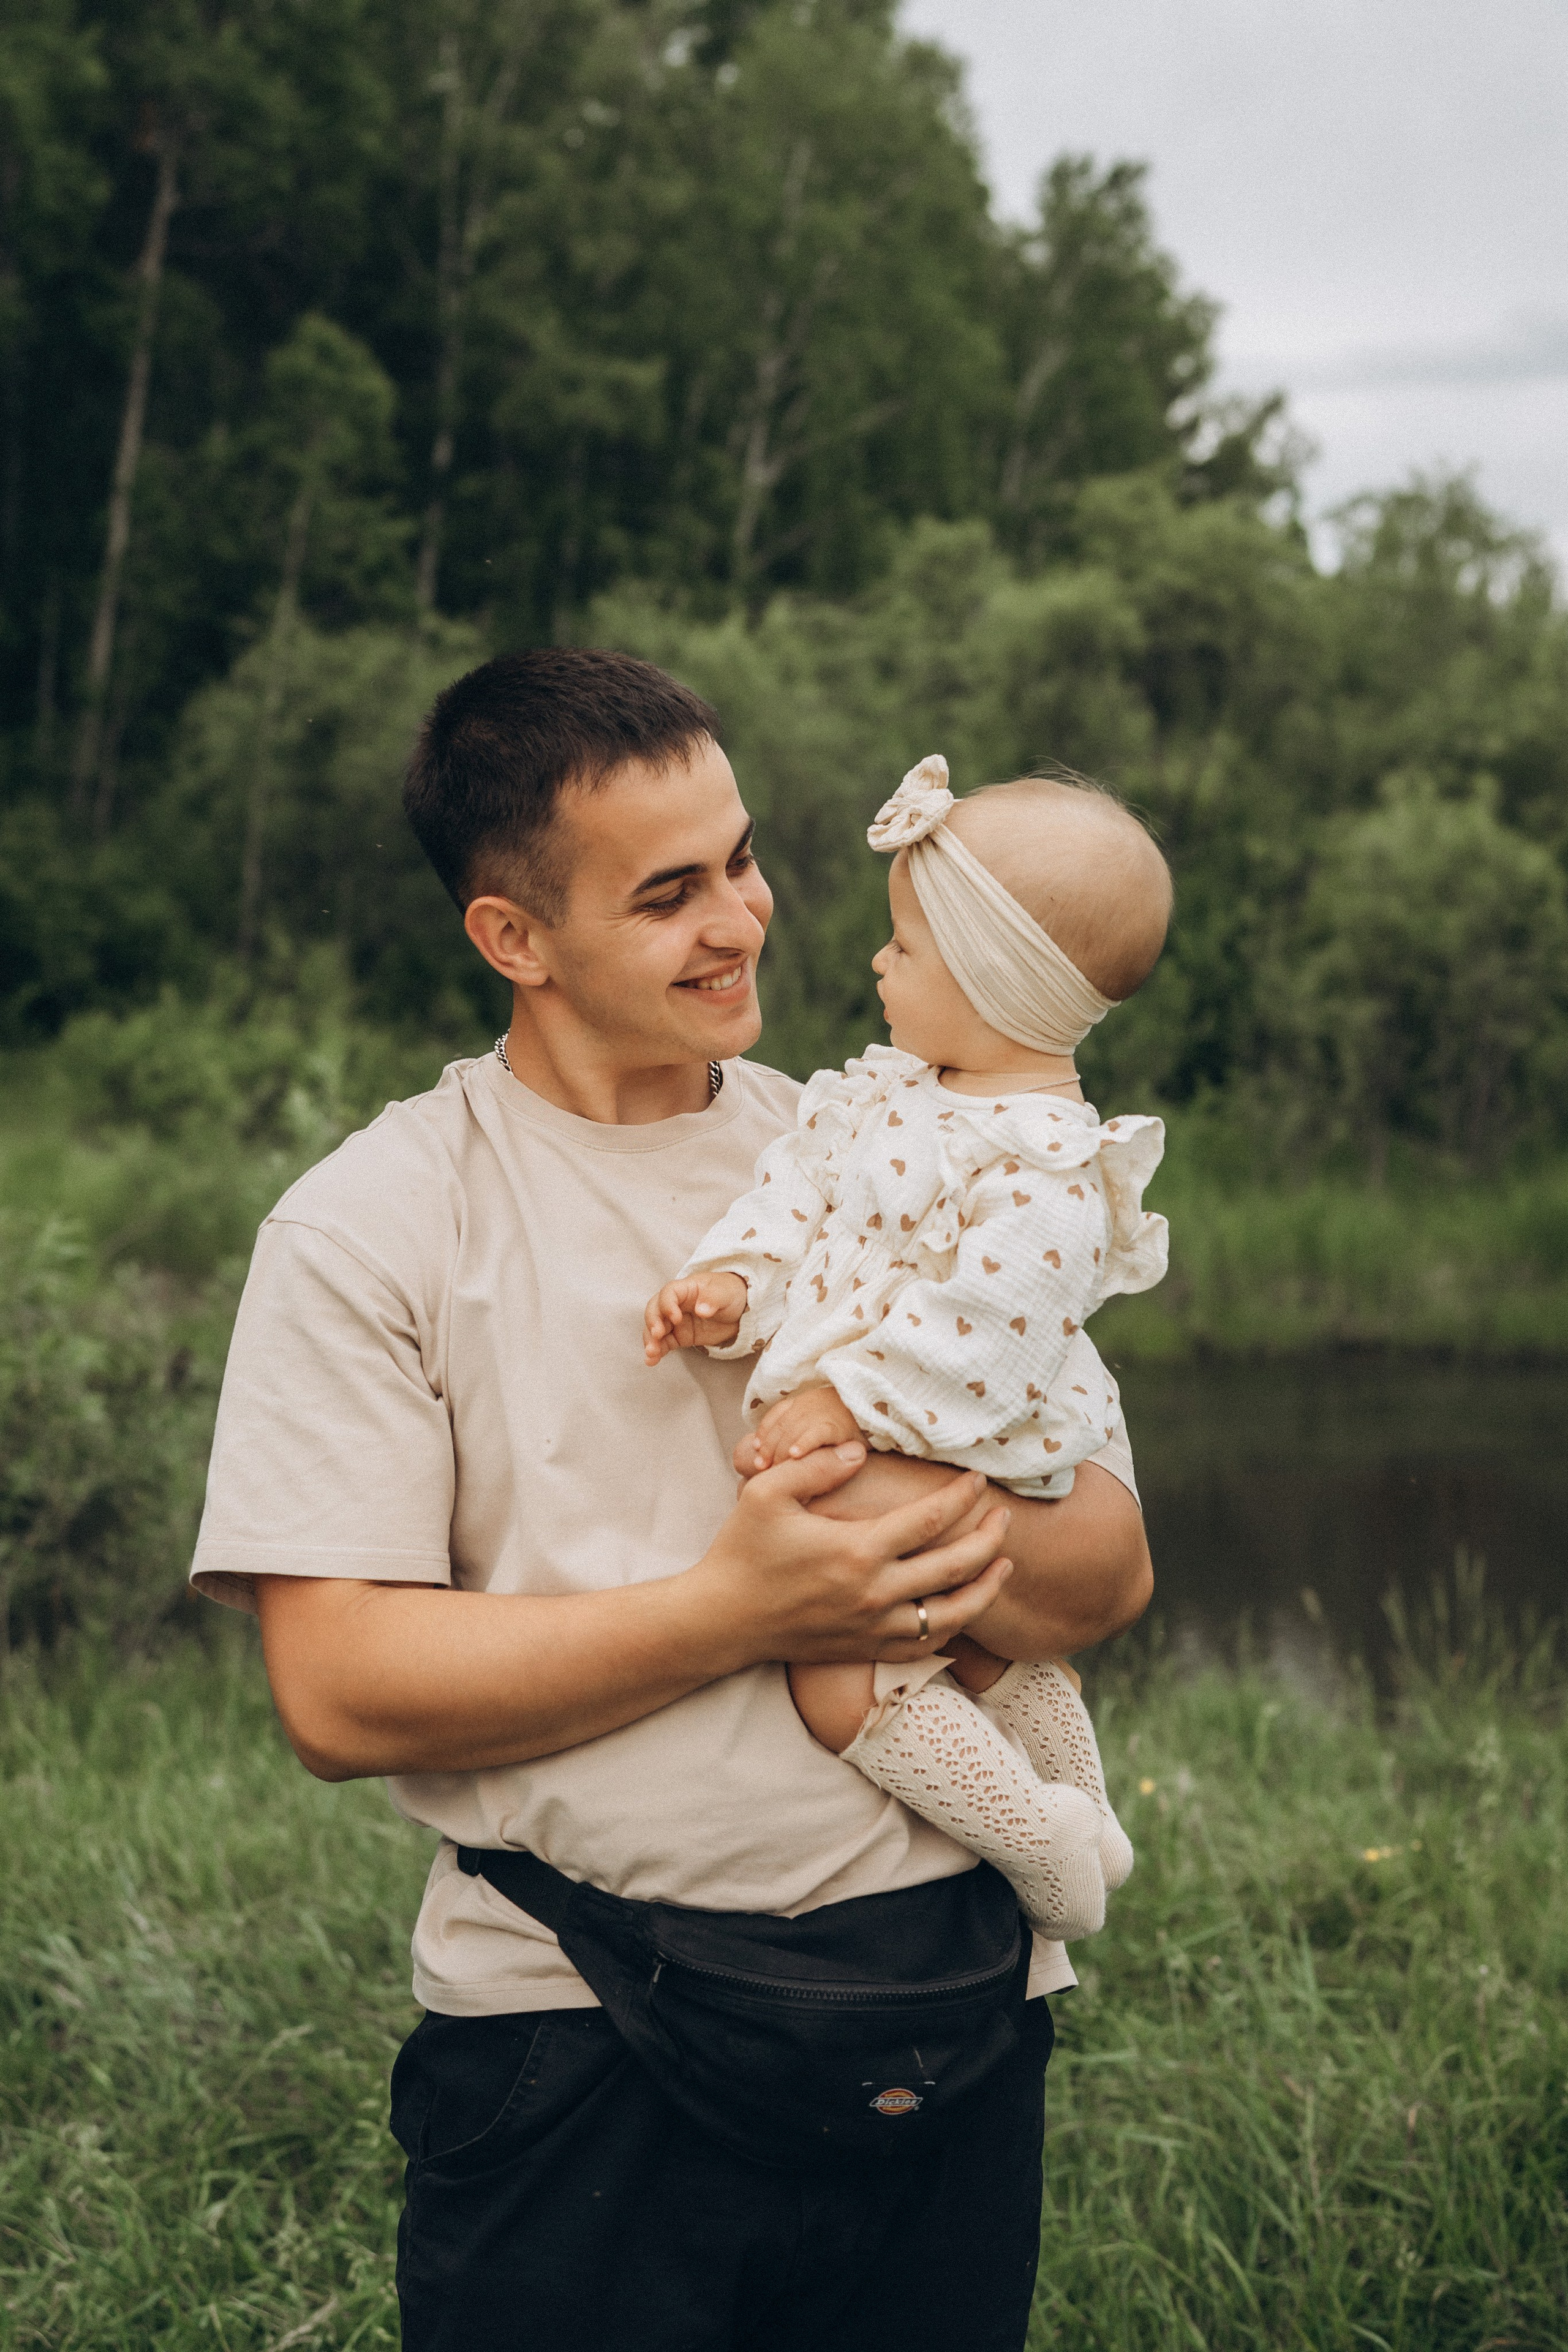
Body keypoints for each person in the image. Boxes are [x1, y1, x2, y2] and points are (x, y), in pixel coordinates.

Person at [188, 649, 1153, 2352]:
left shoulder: (907, 1143)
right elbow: (337, 1694)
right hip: (577, 2055)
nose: (746, 919)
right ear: (515, 938)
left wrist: (896, 1514)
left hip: (947, 2017)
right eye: (668, 893)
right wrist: (744, 1610)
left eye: (744, 857)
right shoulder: (370, 1226)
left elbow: (1097, 1578)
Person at [644, 752, 1169, 1942]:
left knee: (839, 1684)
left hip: (966, 1438)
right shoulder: (879, 1097)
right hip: (911, 1440)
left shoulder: (1044, 1167)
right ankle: (1081, 1812)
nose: (879, 962)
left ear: (993, 989)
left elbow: (976, 1338)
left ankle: (1034, 1833)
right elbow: (795, 1193)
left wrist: (841, 1401)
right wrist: (733, 1279)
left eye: (907, 948)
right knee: (982, 1660)